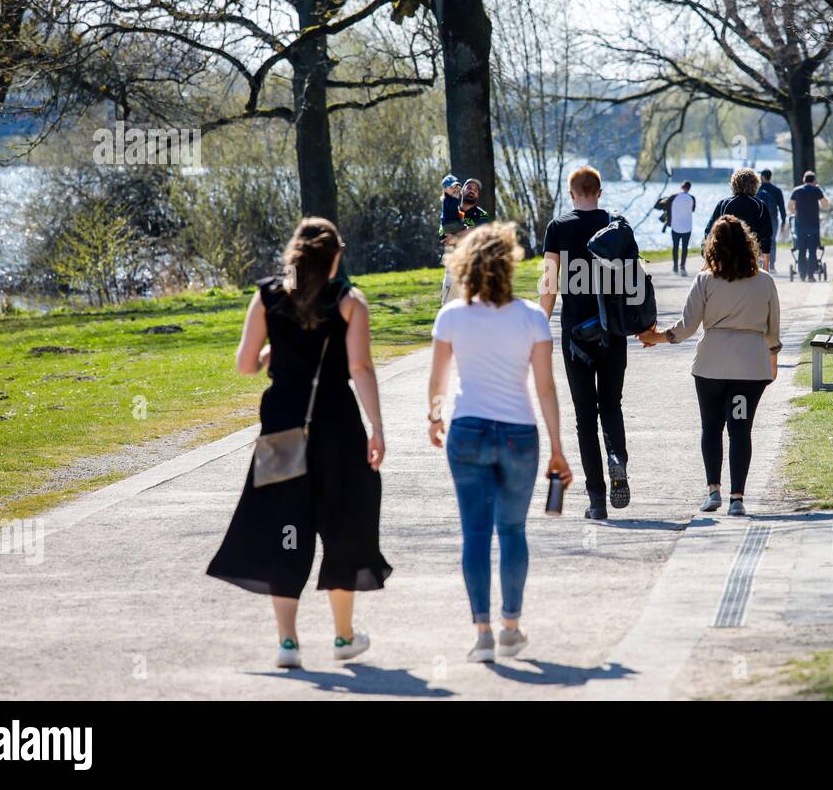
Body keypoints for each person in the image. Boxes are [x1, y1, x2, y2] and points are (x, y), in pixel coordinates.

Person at [208, 218, 392, 669]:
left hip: (282, 429)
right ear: (333, 256)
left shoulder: (268, 295)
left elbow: (246, 365)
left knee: (284, 528)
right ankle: (344, 636)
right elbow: (361, 369)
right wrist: (378, 428)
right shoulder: (350, 303)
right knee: (342, 524)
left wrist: (275, 354)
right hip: (337, 429)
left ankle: (288, 643)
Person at [428, 223, 572, 663]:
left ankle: (483, 633)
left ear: (465, 266)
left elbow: (438, 380)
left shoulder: (452, 316)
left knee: (474, 532)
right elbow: (545, 388)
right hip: (518, 434)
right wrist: (557, 446)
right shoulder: (532, 317)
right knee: (511, 530)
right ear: (511, 265)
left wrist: (434, 416)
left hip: (468, 429)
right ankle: (511, 626)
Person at [639, 215, 781, 516]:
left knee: (712, 427)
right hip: (750, 367)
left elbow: (687, 327)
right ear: (749, 245)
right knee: (741, 431)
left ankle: (713, 490)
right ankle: (738, 498)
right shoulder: (765, 281)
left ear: (712, 246)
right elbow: (773, 330)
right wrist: (773, 359)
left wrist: (656, 337)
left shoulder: (704, 280)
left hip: (711, 366)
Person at [540, 166, 634, 520]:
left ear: (571, 193)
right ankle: (617, 458)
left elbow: (550, 285)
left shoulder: (558, 229)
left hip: (576, 336)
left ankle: (596, 500)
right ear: (600, 191)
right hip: (613, 333)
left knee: (584, 415)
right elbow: (632, 282)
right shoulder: (617, 226)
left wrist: (538, 326)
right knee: (612, 404)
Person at [705, 168, 773, 269]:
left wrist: (707, 260)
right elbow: (767, 235)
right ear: (755, 184)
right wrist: (766, 266)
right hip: (751, 256)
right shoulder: (760, 205)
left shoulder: (724, 204)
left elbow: (710, 231)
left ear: (734, 184)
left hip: (727, 255)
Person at [439, 177, 491, 301]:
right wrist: (465, 234)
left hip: (475, 268)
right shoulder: (450, 210)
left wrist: (456, 237)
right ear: (462, 191)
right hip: (453, 269)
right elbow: (444, 236)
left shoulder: (482, 215)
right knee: (450, 312)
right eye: (469, 187)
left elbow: (478, 232)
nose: (472, 190)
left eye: (476, 190)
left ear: (478, 196)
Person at [788, 171, 830, 278]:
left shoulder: (796, 191)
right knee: (812, 250)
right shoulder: (816, 190)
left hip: (800, 225)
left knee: (801, 249)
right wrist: (819, 189)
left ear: (804, 180)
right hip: (813, 225)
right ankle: (811, 275)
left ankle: (802, 274)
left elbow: (790, 206)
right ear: (814, 180)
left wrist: (795, 213)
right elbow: (825, 205)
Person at [756, 169, 788, 272]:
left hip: (759, 220)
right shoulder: (777, 190)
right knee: (772, 241)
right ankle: (771, 265)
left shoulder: (757, 190)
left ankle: (760, 264)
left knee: (759, 241)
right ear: (770, 177)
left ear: (762, 177)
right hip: (773, 219)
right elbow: (782, 207)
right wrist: (783, 221)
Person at [670, 180, 697, 274]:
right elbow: (693, 210)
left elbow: (667, 206)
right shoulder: (692, 198)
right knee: (685, 247)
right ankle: (682, 267)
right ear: (689, 188)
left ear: (682, 187)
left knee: (675, 246)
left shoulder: (674, 197)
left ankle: (675, 267)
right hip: (687, 227)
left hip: (675, 226)